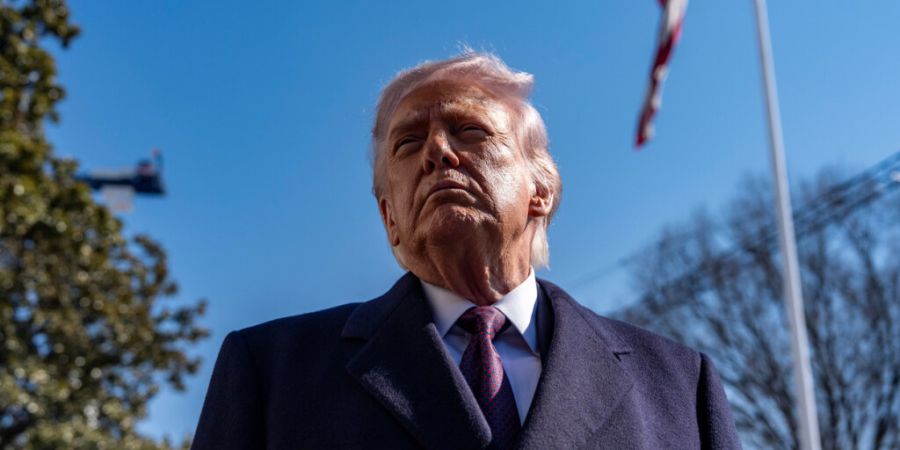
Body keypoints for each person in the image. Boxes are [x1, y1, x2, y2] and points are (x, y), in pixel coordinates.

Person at [191, 52, 742, 450]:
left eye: (469, 131)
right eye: (408, 143)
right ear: (390, 220)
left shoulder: (679, 385)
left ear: (541, 189)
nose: (436, 151)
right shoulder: (270, 373)